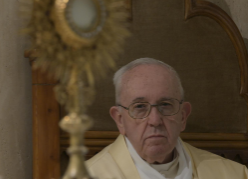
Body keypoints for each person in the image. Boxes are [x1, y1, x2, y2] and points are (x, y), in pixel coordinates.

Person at [86, 58, 248, 179]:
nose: (155, 120)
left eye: (165, 105)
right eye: (140, 107)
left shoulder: (234, 175)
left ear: (183, 116)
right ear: (120, 120)